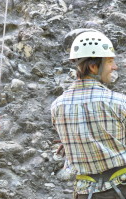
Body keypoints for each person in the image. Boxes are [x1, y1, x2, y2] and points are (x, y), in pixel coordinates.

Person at [51, 30, 126, 199]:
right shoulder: (118, 102)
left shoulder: (57, 106)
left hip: (86, 194)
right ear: (93, 66)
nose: (115, 66)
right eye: (110, 61)